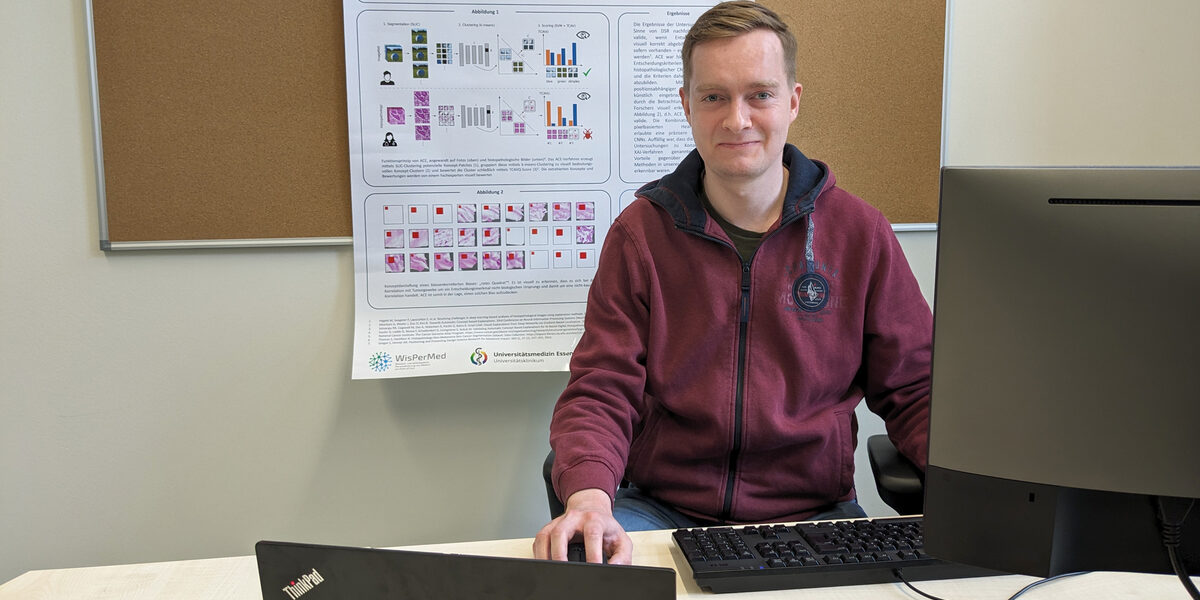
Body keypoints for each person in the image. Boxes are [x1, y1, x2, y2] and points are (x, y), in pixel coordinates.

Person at [533, 1, 932, 565]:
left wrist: (980, 485)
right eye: (714, 96)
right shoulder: (641, 234)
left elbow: (916, 388)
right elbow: (603, 385)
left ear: (792, 101)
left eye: (759, 95)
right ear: (687, 106)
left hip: (816, 512)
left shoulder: (859, 234)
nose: (736, 119)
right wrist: (592, 496)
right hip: (663, 508)